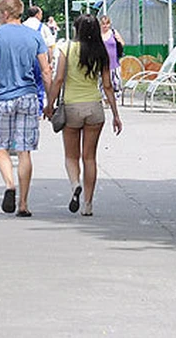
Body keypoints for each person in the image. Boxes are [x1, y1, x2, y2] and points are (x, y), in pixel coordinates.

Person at [0, 0, 52, 217]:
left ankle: (10, 185)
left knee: (0, 147)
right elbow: (46, 71)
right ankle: (24, 203)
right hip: (28, 97)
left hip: (2, 97)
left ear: (6, 13)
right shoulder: (34, 36)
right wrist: (50, 102)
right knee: (24, 151)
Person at [44, 14, 123, 216]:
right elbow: (107, 85)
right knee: (90, 158)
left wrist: (50, 104)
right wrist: (115, 114)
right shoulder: (101, 51)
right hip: (94, 109)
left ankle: (74, 185)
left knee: (71, 156)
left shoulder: (66, 49)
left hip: (71, 108)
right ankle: (88, 204)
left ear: (76, 29)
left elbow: (59, 79)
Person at [22, 6, 55, 113]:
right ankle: (39, 108)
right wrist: (50, 61)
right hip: (39, 58)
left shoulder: (22, 26)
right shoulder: (43, 27)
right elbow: (50, 46)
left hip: (24, 58)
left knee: (26, 83)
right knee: (40, 84)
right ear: (37, 15)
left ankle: (27, 106)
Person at [99, 14, 125, 101]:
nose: (105, 26)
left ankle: (114, 99)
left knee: (115, 82)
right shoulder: (98, 35)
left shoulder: (113, 32)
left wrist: (118, 40)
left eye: (107, 23)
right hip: (103, 63)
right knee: (103, 82)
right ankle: (105, 98)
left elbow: (122, 43)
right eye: (103, 24)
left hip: (114, 63)